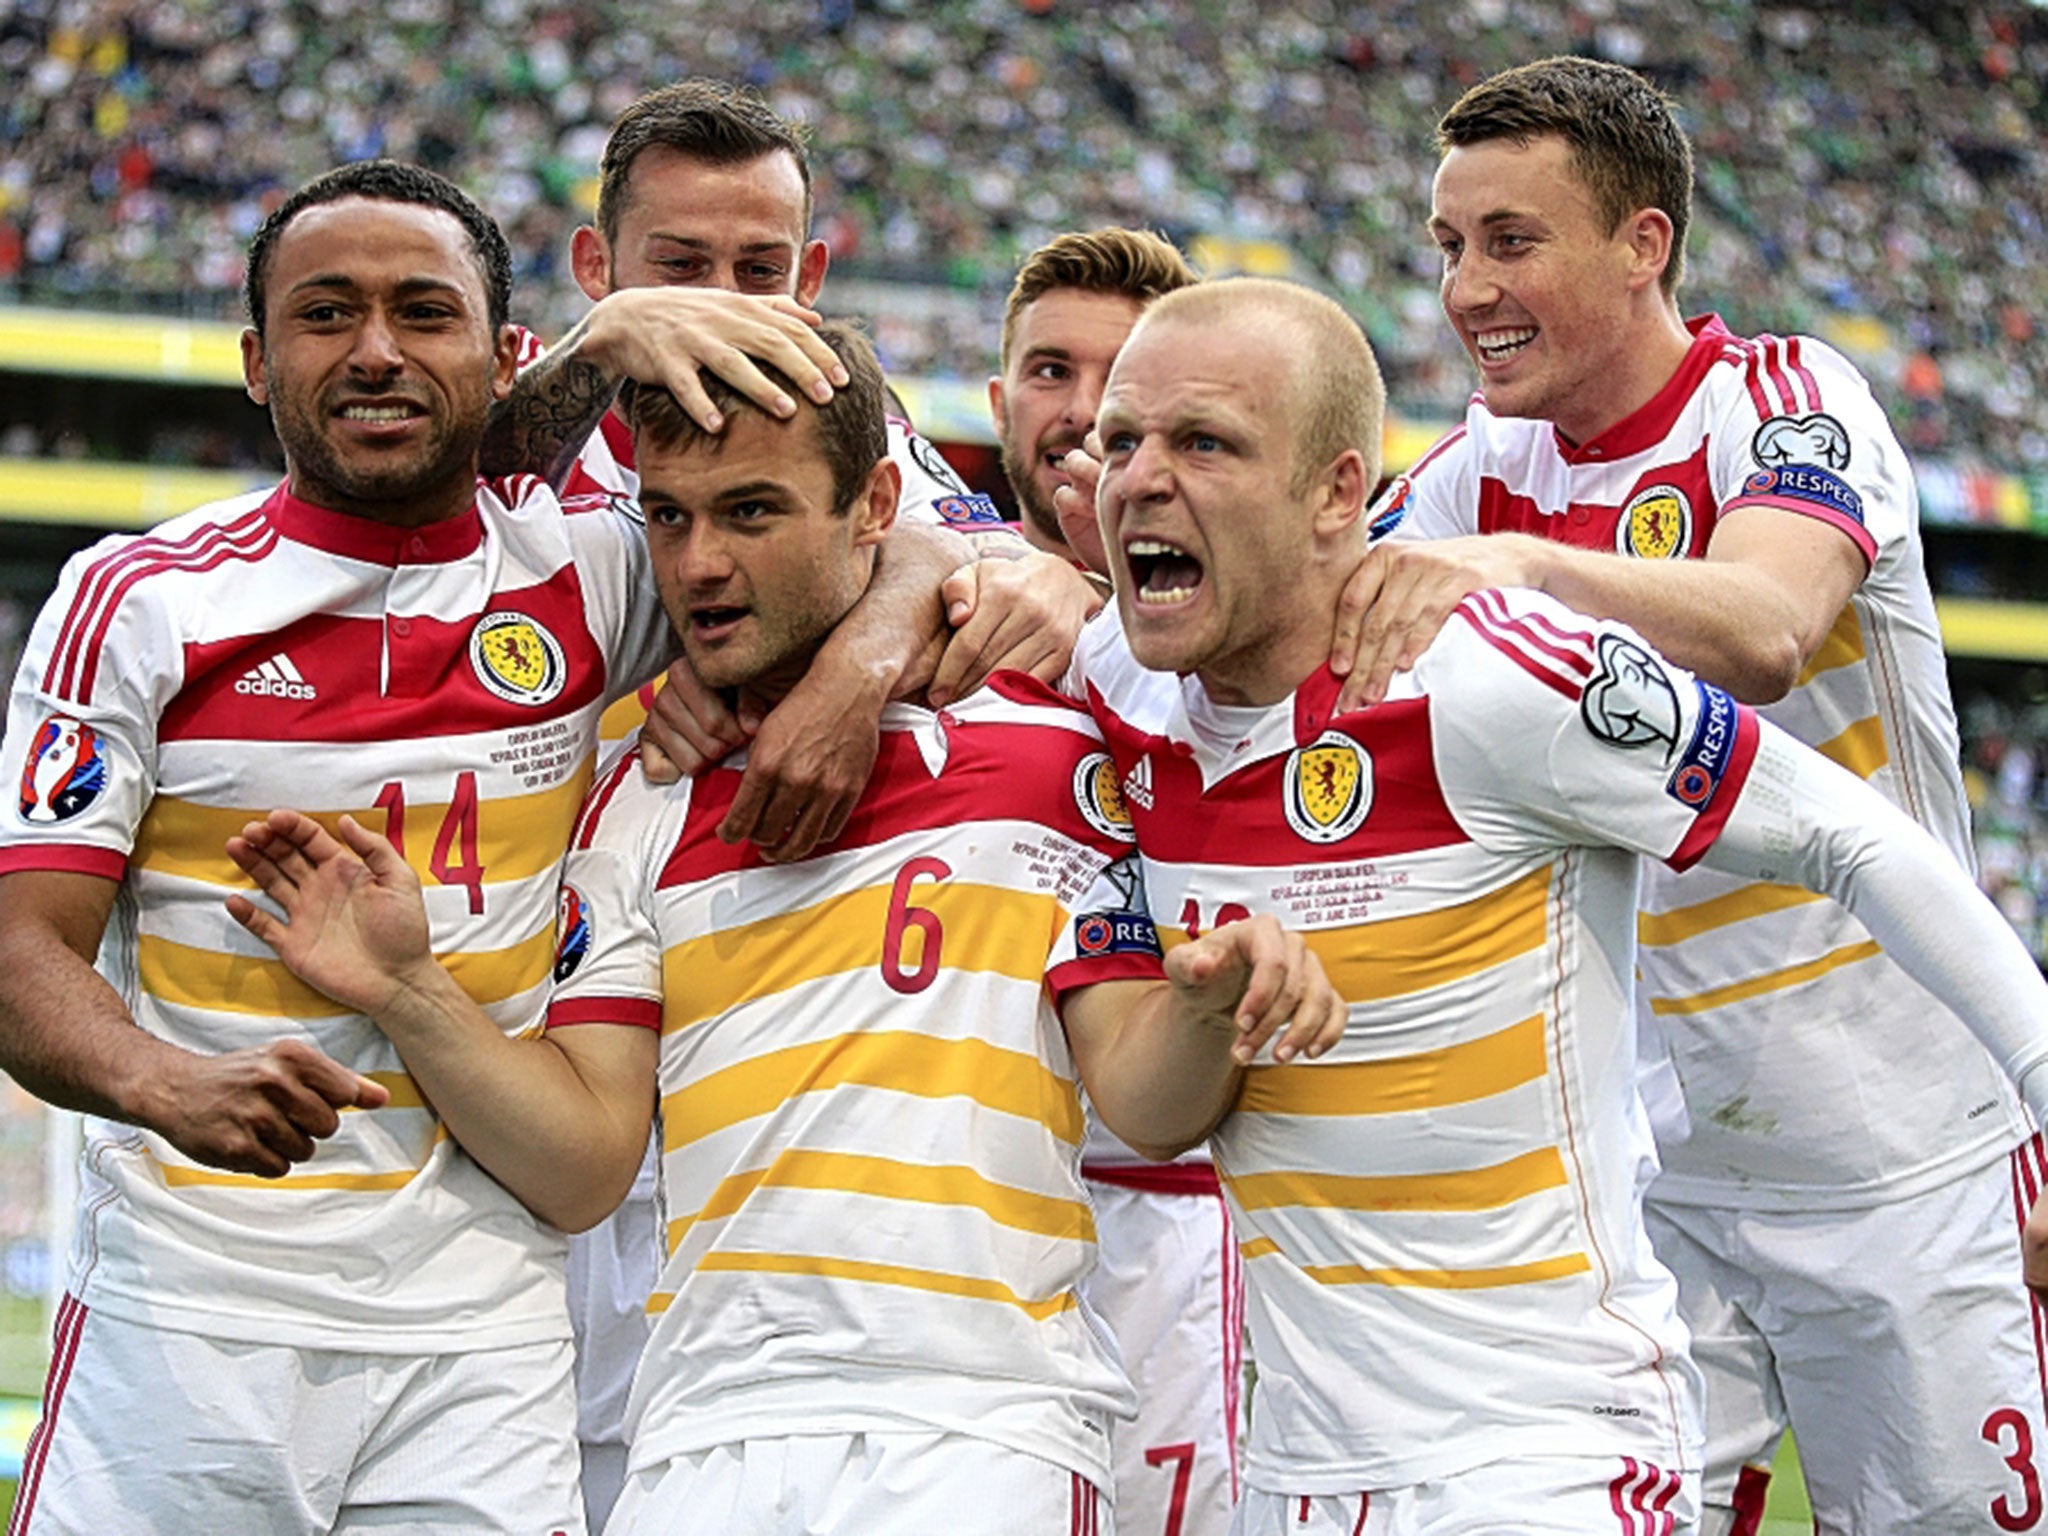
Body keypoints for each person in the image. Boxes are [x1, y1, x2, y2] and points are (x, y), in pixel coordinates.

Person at [225, 323, 1345, 1535]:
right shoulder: (641, 801)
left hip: (977, 1435)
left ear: (873, 506)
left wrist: (1201, 1002)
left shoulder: (1047, 749)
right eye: (668, 518)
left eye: (750, 513)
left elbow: (1144, 1099)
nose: (699, 565)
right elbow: (585, 1164)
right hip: (697, 1441)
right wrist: (409, 993)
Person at [1066, 275, 2048, 1535]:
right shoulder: (1117, 701)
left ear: (1332, 494)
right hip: (1295, 1477)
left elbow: (1853, 835)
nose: (1138, 477)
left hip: (1532, 1463)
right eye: (1121, 442)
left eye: (1201, 442)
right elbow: (1149, 1110)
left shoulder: (1496, 677)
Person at [1336, 57, 2048, 1536]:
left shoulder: (1786, 398)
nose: (1468, 289)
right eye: (1448, 247)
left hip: (1902, 1159)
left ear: (1642, 244)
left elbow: (1769, 625)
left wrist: (1532, 566)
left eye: (1511, 241)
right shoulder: (1481, 464)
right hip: (1653, 1184)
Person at [485, 79, 1103, 1527]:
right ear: (593, 271)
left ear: (811, 279)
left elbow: (987, 572)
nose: (718, 305)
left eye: (759, 271)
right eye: (676, 269)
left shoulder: (836, 413)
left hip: (756, 1062)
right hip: (531, 1066)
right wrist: (597, 357)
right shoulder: (530, 414)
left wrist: (852, 675)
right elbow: (415, 506)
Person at [990, 226, 1250, 1536]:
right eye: (1049, 371)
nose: (1084, 413)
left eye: (1125, 381)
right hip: (966, 1228)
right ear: (995, 403)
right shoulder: (897, 604)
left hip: (1186, 1235)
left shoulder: (1262, 635)